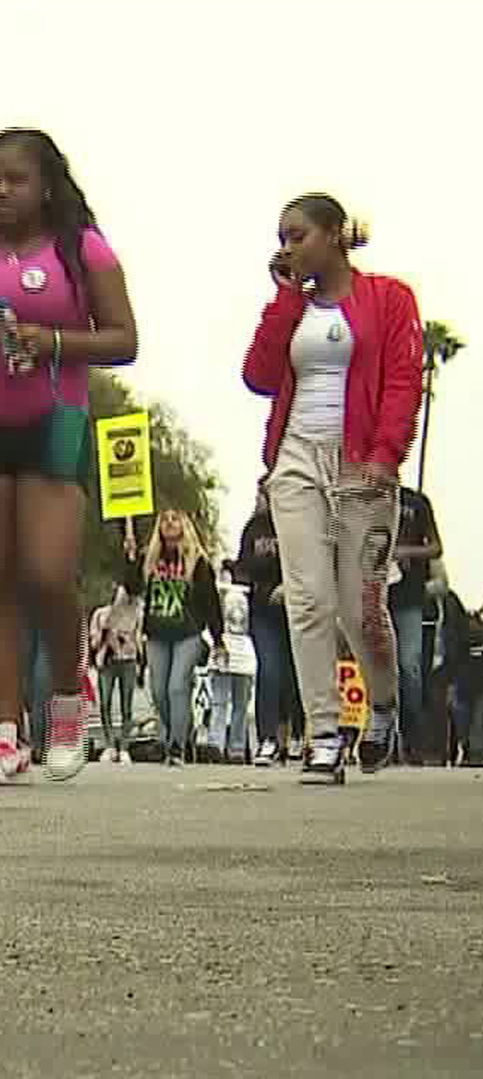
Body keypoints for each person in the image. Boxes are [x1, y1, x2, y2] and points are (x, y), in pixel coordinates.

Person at [0, 128, 139, 786]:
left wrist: (54, 341)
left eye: (15, 179)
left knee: (46, 574)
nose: (2, 192)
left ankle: (67, 706)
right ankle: (5, 733)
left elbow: (124, 339)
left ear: (47, 186)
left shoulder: (83, 251)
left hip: (53, 421)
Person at [244, 193, 422, 784]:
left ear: (332, 235)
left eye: (298, 236)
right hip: (296, 459)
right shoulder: (293, 307)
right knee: (307, 599)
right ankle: (324, 735)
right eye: (282, 238)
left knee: (360, 609)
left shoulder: (390, 299)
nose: (287, 247)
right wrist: (283, 297)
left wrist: (385, 456)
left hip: (360, 462)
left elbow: (401, 380)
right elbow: (259, 376)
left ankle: (385, 704)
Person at [120, 511, 220, 766]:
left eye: (175, 519)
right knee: (159, 691)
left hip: (188, 632)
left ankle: (175, 746)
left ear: (185, 526)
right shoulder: (150, 558)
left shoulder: (197, 562)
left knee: (178, 687)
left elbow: (211, 601)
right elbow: (132, 588)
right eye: (164, 520)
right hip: (157, 633)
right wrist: (130, 557)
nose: (169, 523)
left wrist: (218, 638)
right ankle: (182, 731)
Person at [232, 481, 298, 766]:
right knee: (269, 670)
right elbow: (243, 566)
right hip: (263, 611)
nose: (260, 498)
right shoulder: (254, 529)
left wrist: (290, 586)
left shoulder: (299, 522)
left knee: (293, 674)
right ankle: (267, 738)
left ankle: (296, 734)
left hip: (296, 609)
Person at [388, 485, 441, 764]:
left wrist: (404, 551)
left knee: (410, 666)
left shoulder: (416, 502)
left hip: (409, 597)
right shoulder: (363, 498)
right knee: (375, 667)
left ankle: (412, 738)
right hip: (372, 592)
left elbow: (435, 546)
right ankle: (380, 736)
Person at [207, 570, 257, 763]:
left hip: (241, 652)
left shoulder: (233, 594)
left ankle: (224, 746)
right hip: (230, 650)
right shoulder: (223, 594)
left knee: (232, 703)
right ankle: (223, 747)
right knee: (230, 703)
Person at [89, 584, 143, 763]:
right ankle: (109, 744)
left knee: (126, 704)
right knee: (104, 702)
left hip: (128, 660)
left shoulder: (134, 614)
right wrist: (104, 633)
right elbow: (94, 642)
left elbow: (139, 640)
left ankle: (124, 747)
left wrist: (139, 662)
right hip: (107, 662)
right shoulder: (100, 614)